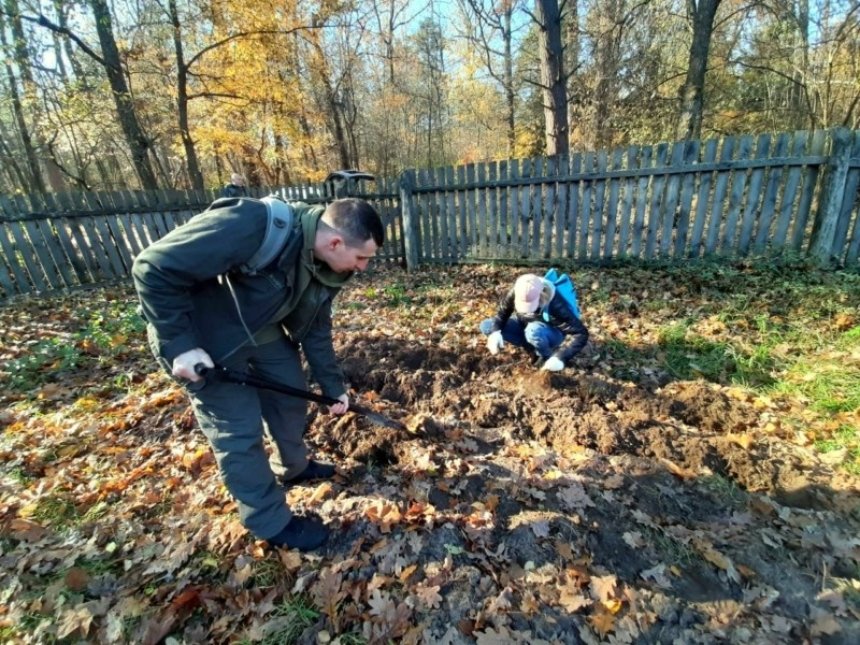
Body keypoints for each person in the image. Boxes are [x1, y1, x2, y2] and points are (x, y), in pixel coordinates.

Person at [132, 197, 384, 551]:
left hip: (260, 333)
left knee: (291, 397)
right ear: (335, 242)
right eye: (362, 258)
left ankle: (294, 466)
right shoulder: (252, 223)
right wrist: (179, 344)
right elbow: (152, 267)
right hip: (202, 341)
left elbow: (314, 327)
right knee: (239, 431)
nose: (363, 268)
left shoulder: (327, 265)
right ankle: (269, 521)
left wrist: (332, 387)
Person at [480, 273, 589, 371]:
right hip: (526, 325)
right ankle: (531, 347)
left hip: (550, 332)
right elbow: (501, 315)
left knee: (533, 331)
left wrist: (560, 357)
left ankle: (547, 357)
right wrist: (495, 332)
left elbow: (581, 333)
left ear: (541, 295)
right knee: (487, 326)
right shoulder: (517, 291)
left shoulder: (555, 303)